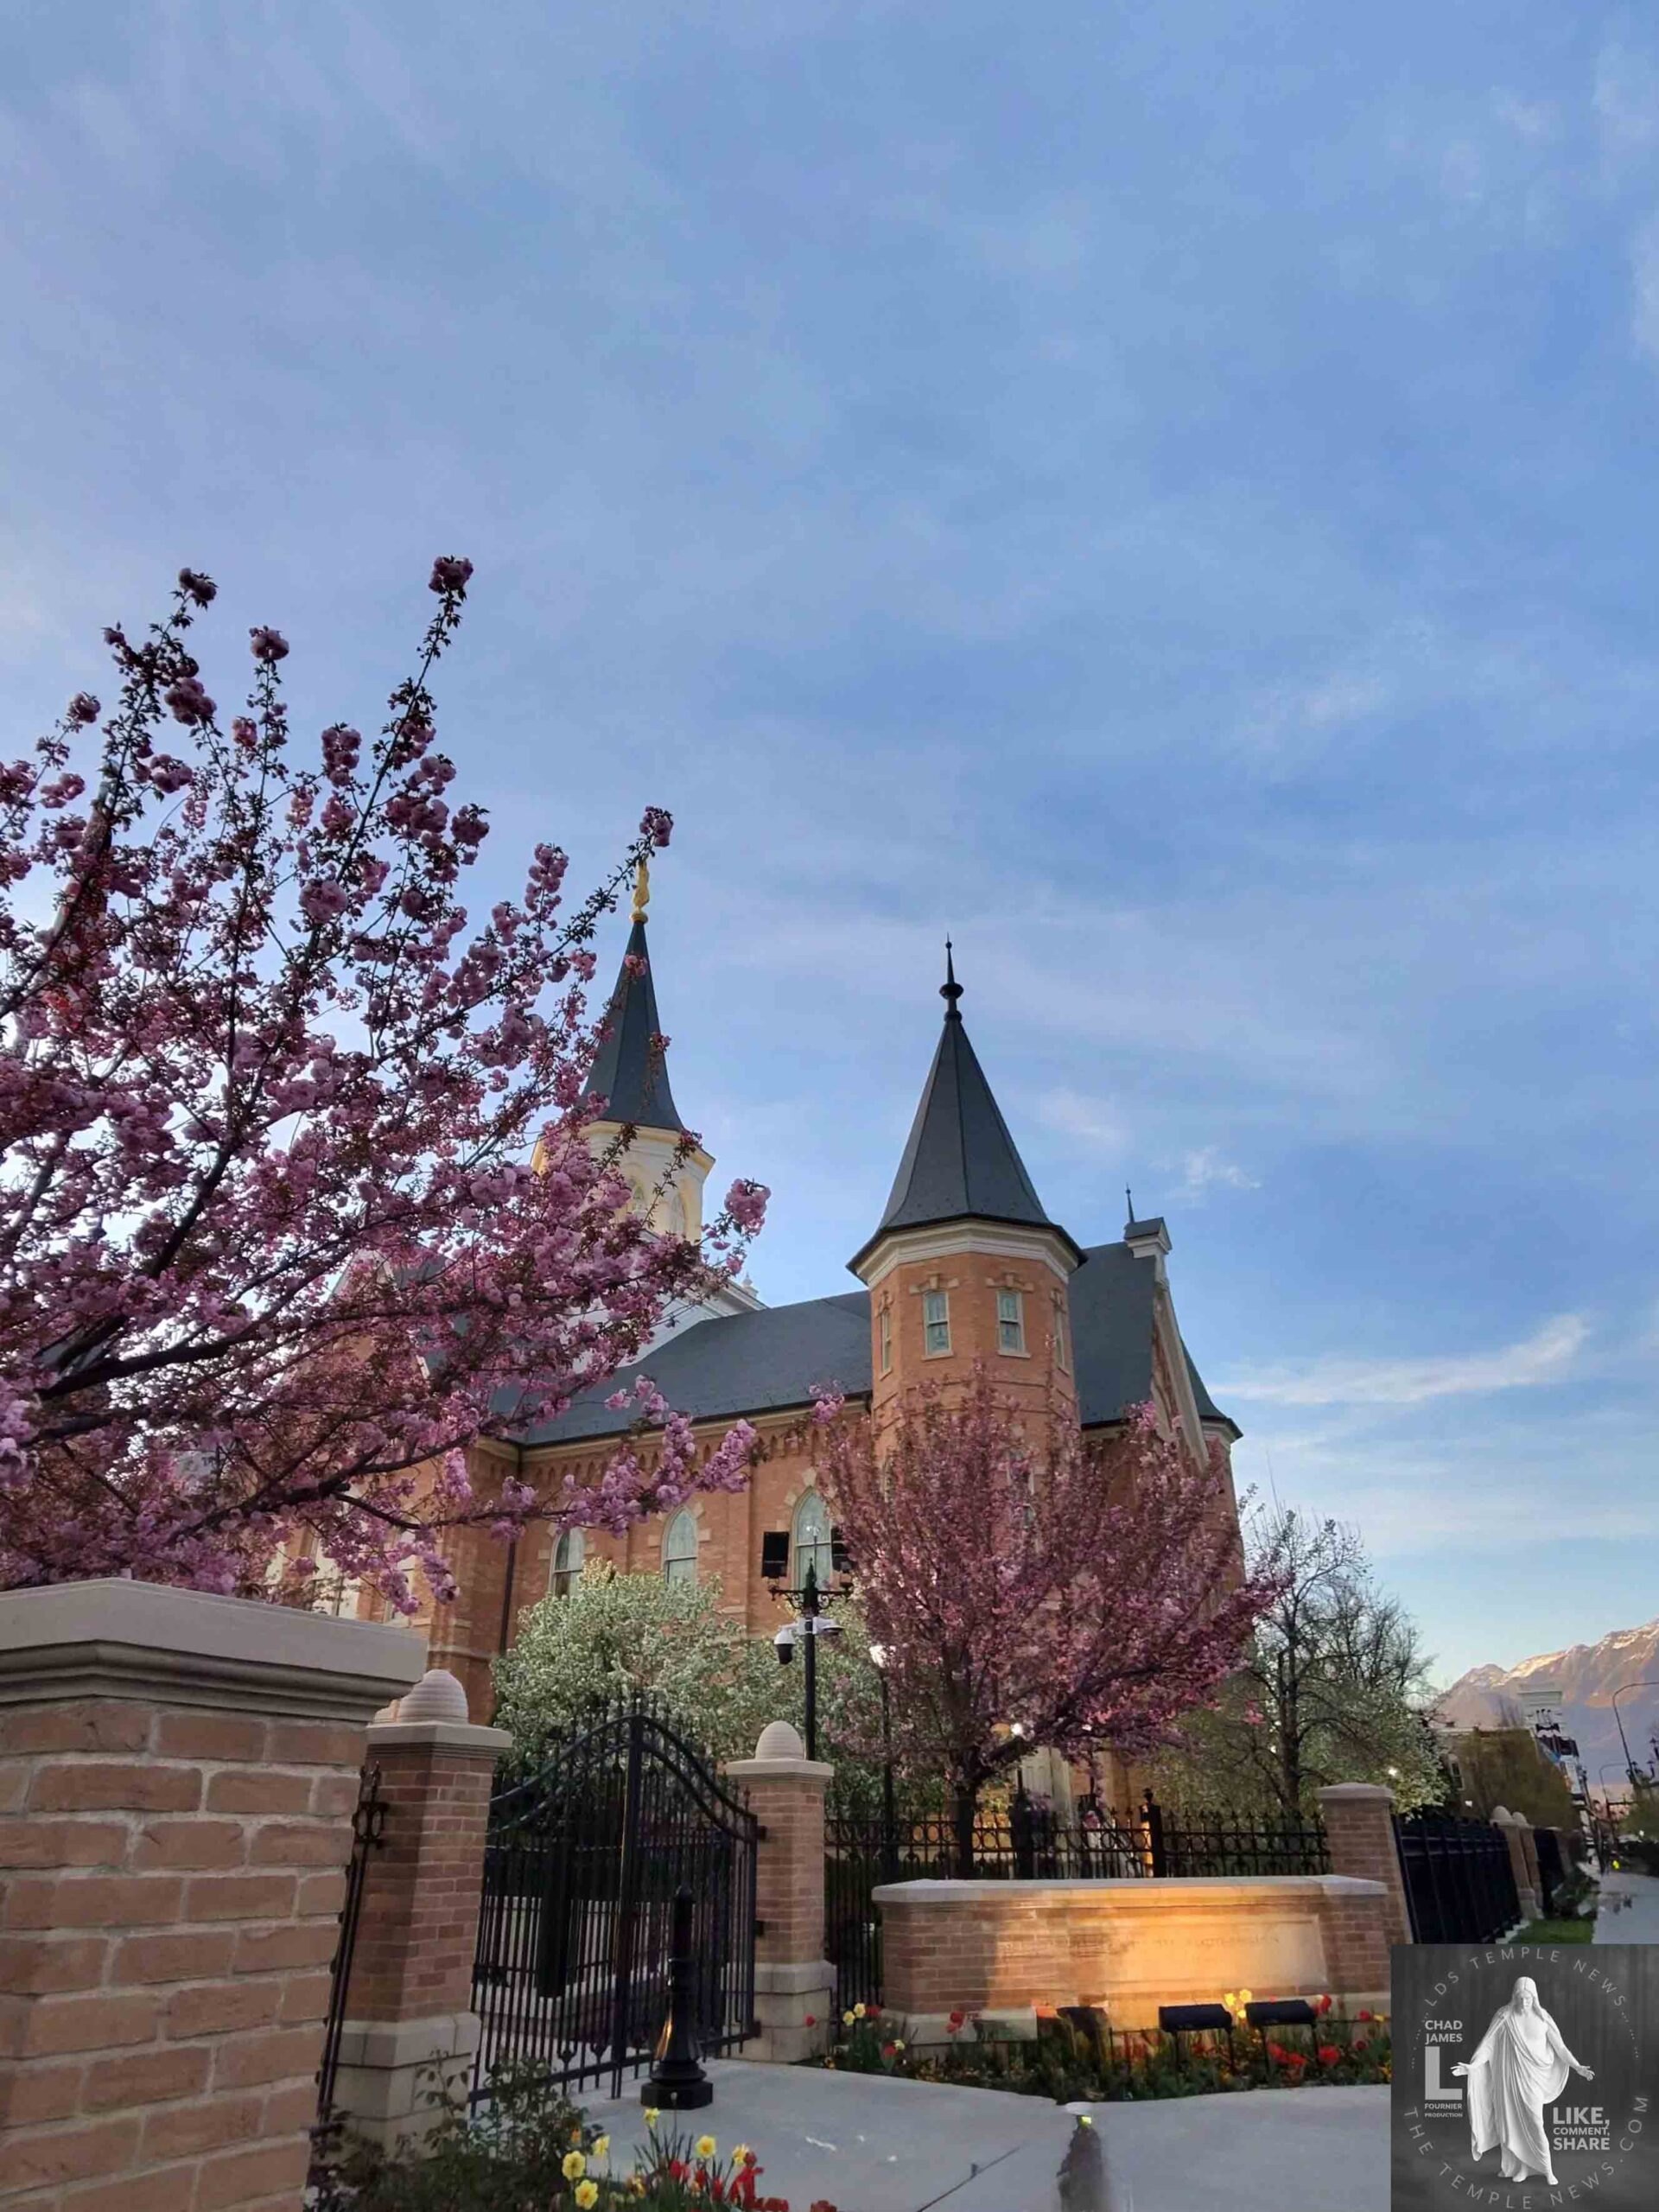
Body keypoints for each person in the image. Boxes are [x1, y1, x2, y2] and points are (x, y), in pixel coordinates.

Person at [1451, 1976, 1594, 2187]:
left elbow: (1561, 2048)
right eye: (1520, 1998)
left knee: (1536, 2123)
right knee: (1511, 2124)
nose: (1524, 2003)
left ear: (1534, 1998)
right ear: (1514, 1996)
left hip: (1533, 2079)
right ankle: (1520, 2168)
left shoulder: (1543, 2018)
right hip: (1509, 2080)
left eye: (1528, 1998)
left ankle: (1547, 2169)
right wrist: (1472, 2067)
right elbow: (1488, 2046)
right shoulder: (1504, 2017)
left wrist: (1577, 2066)